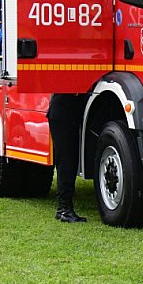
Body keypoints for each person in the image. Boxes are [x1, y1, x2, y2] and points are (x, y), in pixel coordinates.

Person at [47, 93, 89, 223]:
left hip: (64, 117)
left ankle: (63, 208)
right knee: (66, 163)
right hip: (63, 118)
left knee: (68, 163)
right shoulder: (68, 87)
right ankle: (64, 209)